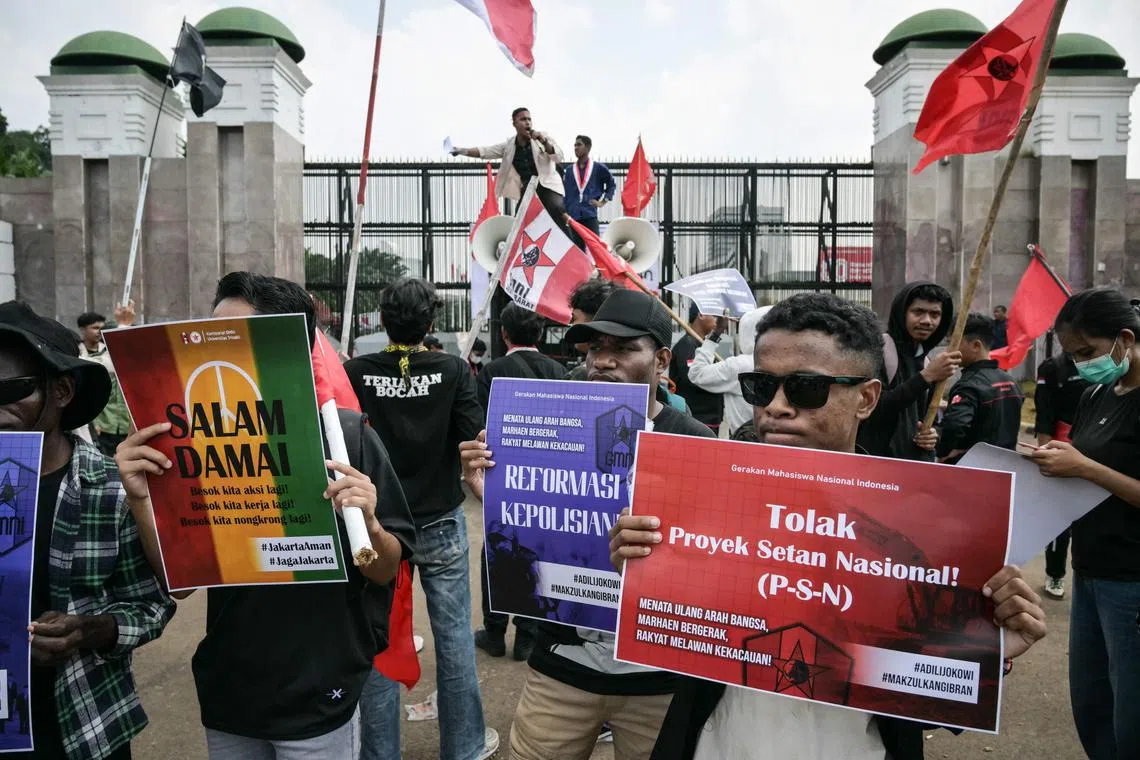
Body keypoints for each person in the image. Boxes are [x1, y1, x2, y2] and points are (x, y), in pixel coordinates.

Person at [611, 292, 1048, 760]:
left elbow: (929, 689)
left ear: (866, 399)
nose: (775, 407)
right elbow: (676, 640)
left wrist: (988, 649)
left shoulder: (920, 534)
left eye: (805, 389)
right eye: (760, 386)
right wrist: (640, 574)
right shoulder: (704, 502)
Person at [114, 273, 415, 760]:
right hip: (232, 689)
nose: (214, 356)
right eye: (210, 338)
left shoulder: (347, 437)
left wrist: (372, 523)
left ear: (288, 349)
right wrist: (141, 499)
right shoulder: (184, 440)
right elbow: (180, 582)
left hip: (318, 693)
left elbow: (383, 568)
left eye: (236, 341)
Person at [460, 289, 715, 760]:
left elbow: (714, 569)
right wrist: (497, 499)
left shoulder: (695, 444)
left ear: (661, 360)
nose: (602, 361)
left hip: (656, 680)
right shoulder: (550, 427)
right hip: (562, 665)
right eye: (595, 348)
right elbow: (529, 550)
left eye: (622, 349)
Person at [0, 300, 175, 760]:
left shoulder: (112, 491)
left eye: (11, 388)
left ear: (60, 391)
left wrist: (89, 631)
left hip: (85, 722)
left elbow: (152, 606)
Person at [343, 278, 495, 760]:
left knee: (375, 642)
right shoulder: (452, 369)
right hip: (440, 522)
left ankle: (379, 752)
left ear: (382, 321)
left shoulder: (356, 372)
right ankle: (465, 747)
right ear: (431, 322)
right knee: (454, 644)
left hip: (374, 529)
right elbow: (475, 439)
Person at [1025, 288, 1140, 760]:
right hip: (1090, 571)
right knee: (1093, 708)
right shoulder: (1097, 394)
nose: (1080, 365)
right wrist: (1055, 460)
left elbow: (1093, 470)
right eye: (1072, 356)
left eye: (1088, 353)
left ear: (1125, 339)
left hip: (1133, 579)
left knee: (1131, 719)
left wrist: (1087, 469)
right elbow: (1081, 458)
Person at [472, 303, 566, 660]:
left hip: (504, 476)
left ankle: (494, 632)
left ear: (504, 334)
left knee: (497, 547)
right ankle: (528, 636)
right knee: (538, 551)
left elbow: (480, 427)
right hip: (548, 479)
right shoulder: (559, 372)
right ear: (540, 334)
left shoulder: (492, 372)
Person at [857, 282, 960, 461]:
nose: (927, 321)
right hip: (876, 466)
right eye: (918, 312)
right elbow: (870, 409)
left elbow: (928, 418)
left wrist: (932, 435)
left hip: (912, 469)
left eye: (935, 314)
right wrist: (926, 377)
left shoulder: (927, 360)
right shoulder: (880, 350)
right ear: (902, 313)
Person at [451, 107, 568, 233]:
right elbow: (484, 151)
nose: (527, 122)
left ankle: (571, 243)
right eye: (523, 119)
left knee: (556, 208)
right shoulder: (509, 146)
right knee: (519, 222)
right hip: (529, 189)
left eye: (529, 119)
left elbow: (559, 156)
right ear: (514, 123)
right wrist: (460, 151)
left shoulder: (542, 138)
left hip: (547, 186)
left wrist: (543, 141)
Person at [1034, 351, 1090, 599]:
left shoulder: (1105, 364)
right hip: (1062, 445)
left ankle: (1088, 575)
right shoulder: (1053, 367)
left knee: (1092, 515)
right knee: (1059, 519)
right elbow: (1044, 414)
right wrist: (1044, 452)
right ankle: (1055, 574)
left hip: (1096, 448)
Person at [935, 313, 1024, 464]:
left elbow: (955, 424)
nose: (949, 349)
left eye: (953, 342)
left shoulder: (969, 385)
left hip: (973, 468)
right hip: (1007, 466)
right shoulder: (1010, 381)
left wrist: (943, 451)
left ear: (976, 345)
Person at [687, 307, 771, 438]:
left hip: (745, 440)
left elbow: (696, 373)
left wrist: (715, 334)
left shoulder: (739, 366)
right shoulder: (785, 364)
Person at [77, 308, 132, 456]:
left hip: (124, 422)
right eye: (95, 328)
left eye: (101, 329)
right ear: (83, 329)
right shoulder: (80, 354)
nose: (98, 332)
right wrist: (94, 422)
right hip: (103, 423)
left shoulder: (113, 353)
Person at [669, 304, 724, 430]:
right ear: (701, 315)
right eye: (714, 316)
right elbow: (692, 378)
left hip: (709, 419)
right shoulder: (687, 345)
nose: (717, 321)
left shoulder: (704, 346)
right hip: (697, 419)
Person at [563, 135, 616, 249]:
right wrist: (564, 211)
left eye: (579, 145)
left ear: (588, 148)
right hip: (573, 217)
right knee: (576, 252)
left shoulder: (598, 168)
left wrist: (603, 201)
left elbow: (611, 184)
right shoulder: (569, 170)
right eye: (575, 145)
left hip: (589, 215)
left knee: (596, 249)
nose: (576, 148)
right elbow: (564, 192)